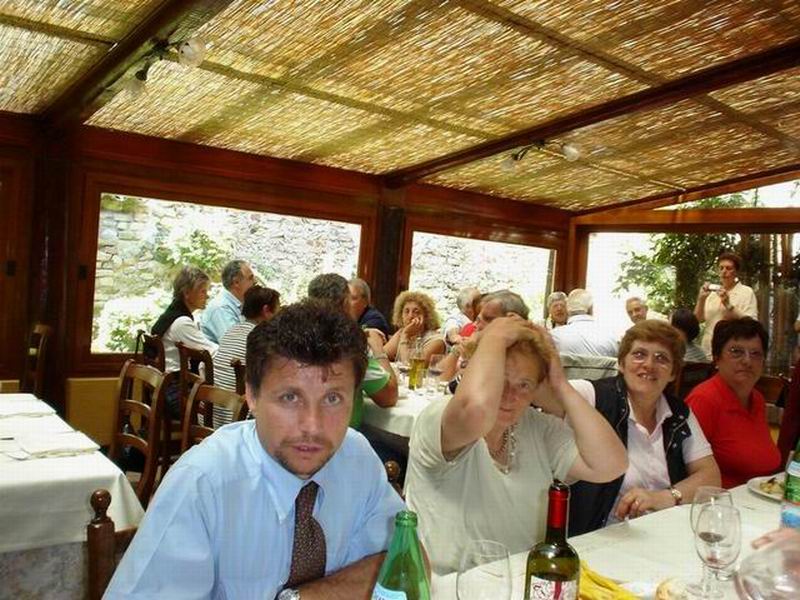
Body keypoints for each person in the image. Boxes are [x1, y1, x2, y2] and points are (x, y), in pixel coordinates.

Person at [106, 301, 406, 599]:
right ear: (251, 394)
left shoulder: (355, 457)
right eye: (290, 397)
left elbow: (407, 563)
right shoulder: (202, 483)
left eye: (332, 399)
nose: (312, 426)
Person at [404, 315, 628, 574]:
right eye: (500, 379)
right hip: (446, 584)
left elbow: (611, 465)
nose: (510, 395)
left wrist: (560, 385)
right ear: (474, 372)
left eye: (524, 384)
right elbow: (476, 410)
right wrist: (495, 335)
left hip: (520, 581)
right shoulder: (439, 418)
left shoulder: (536, 426)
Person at [556, 320, 720, 535]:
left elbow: (711, 477)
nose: (649, 365)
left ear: (673, 373)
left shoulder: (678, 413)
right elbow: (546, 392)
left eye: (661, 358)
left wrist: (664, 497)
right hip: (598, 537)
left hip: (664, 533)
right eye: (639, 354)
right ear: (621, 363)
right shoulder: (593, 396)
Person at [685, 318, 781, 488]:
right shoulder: (704, 400)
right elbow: (682, 470)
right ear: (717, 358)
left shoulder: (757, 399)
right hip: (720, 501)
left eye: (756, 354)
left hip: (760, 496)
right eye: (736, 352)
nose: (747, 361)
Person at [308, 273, 397, 428]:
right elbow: (389, 397)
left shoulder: (296, 337)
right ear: (345, 303)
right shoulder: (350, 347)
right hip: (339, 436)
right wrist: (378, 349)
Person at [151, 265, 218, 418]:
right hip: (175, 393)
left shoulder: (171, 314)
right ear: (187, 293)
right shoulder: (181, 323)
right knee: (225, 404)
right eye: (203, 291)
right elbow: (212, 352)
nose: (207, 296)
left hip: (164, 387)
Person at [212, 285, 280, 426]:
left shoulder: (232, 331)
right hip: (236, 420)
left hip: (212, 413)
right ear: (266, 310)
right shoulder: (261, 339)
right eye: (277, 310)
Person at [695, 252, 758, 357]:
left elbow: (752, 324)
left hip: (733, 352)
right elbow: (697, 320)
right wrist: (701, 299)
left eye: (729, 268)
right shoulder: (712, 294)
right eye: (721, 268)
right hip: (708, 352)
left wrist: (728, 305)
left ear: (736, 272)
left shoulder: (747, 292)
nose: (724, 272)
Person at [550, 289, 619, 357]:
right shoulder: (612, 336)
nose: (559, 309)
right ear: (591, 309)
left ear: (568, 310)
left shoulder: (552, 338)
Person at [201, 260, 256, 343]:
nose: (255, 281)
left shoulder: (238, 303)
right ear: (236, 282)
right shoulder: (221, 308)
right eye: (250, 278)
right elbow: (234, 344)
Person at [384, 291, 446, 363]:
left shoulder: (436, 341)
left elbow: (409, 365)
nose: (410, 316)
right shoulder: (400, 333)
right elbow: (380, 356)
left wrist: (405, 336)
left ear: (426, 317)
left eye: (416, 312)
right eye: (406, 311)